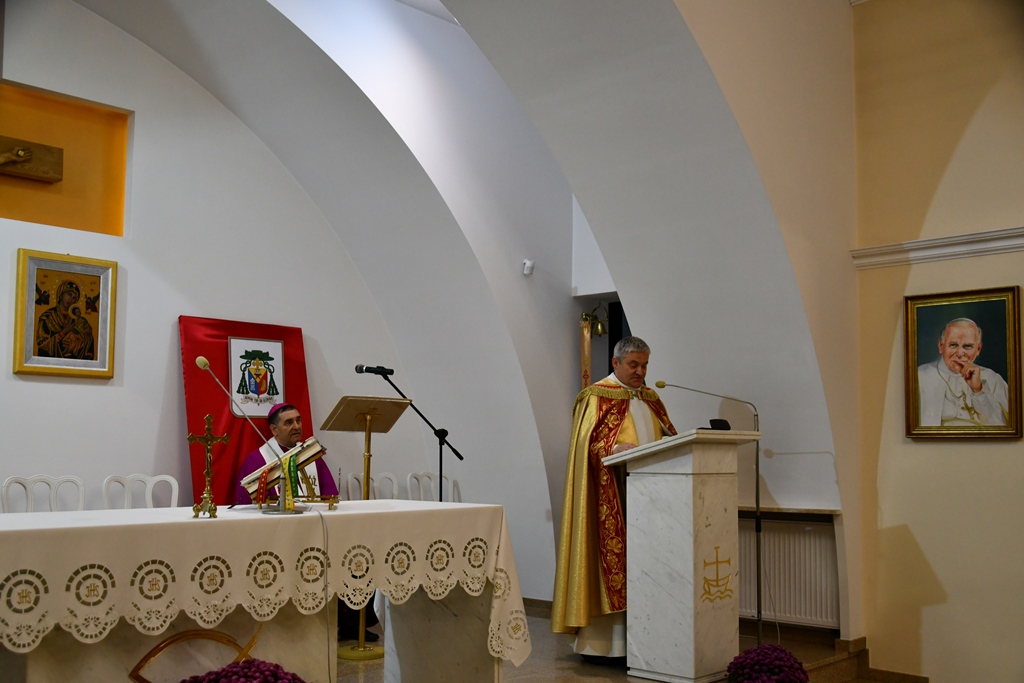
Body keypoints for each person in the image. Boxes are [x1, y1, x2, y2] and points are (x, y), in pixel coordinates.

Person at [551, 336, 677, 662]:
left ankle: (647, 643)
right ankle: (606, 646)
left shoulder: (651, 398)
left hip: (651, 502)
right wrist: (612, 449)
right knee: (614, 567)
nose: (640, 372)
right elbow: (585, 446)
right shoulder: (596, 396)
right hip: (611, 497)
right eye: (633, 365)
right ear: (616, 363)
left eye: (644, 365)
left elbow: (671, 440)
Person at [234, 403, 339, 504]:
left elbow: (330, 497)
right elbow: (251, 505)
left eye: (298, 420)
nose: (297, 426)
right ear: (274, 430)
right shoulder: (257, 460)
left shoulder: (311, 455)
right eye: (289, 423)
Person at [917, 318, 1009, 427]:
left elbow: (1004, 427)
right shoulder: (920, 376)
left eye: (968, 346)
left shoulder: (992, 378)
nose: (960, 353)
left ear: (978, 349)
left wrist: (978, 390)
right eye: (953, 345)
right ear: (941, 346)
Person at [35, 280, 95, 360]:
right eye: (69, 294)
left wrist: (74, 345)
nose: (71, 299)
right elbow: (42, 344)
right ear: (61, 294)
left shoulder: (81, 321)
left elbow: (89, 343)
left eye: (74, 297)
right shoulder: (47, 317)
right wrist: (62, 334)